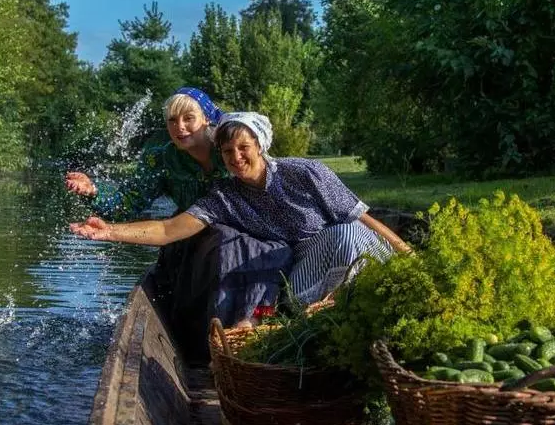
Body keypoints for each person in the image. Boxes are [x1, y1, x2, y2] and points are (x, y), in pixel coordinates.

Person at [71, 112, 410, 307]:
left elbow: (361, 216)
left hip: (357, 254)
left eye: (243, 147)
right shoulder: (225, 197)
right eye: (227, 151)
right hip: (305, 272)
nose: (236, 158)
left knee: (347, 231)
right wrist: (111, 230)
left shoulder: (305, 172)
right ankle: (325, 313)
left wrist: (408, 254)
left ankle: (369, 297)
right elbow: (168, 229)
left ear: (260, 145)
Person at [65, 91, 292, 354]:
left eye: (188, 118)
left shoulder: (230, 147)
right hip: (189, 241)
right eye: (172, 120)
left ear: (207, 119)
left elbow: (265, 180)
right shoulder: (162, 158)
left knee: (261, 252)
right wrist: (94, 191)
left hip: (248, 235)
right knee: (221, 240)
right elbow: (129, 201)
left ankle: (248, 329)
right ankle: (207, 344)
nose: (179, 127)